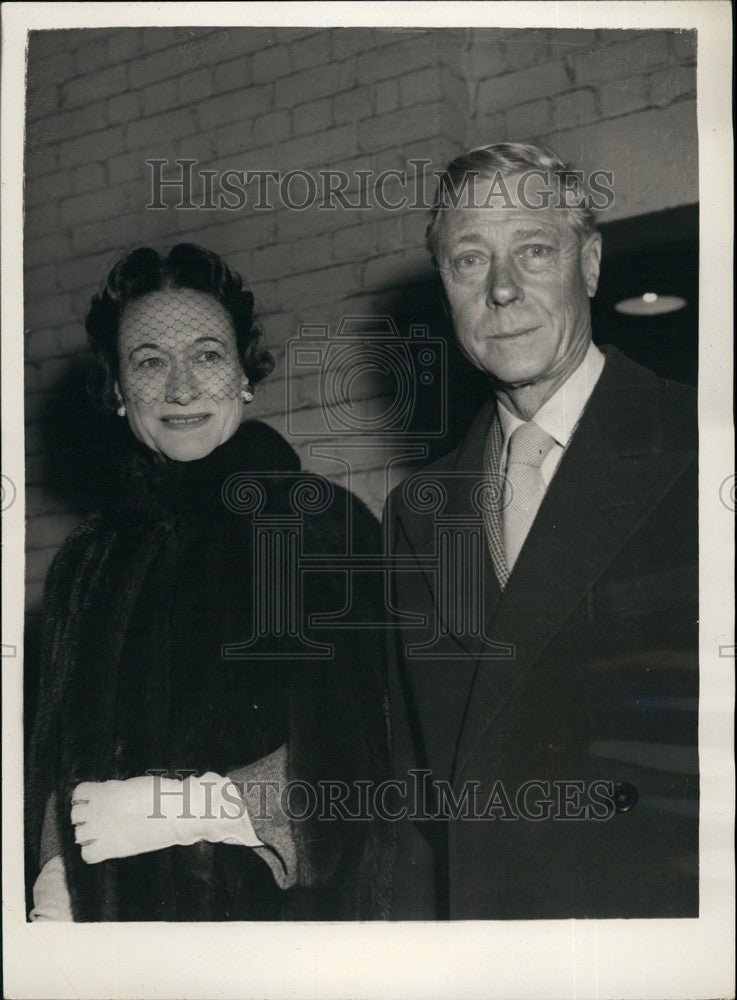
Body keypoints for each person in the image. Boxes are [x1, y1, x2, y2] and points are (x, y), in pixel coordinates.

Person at [26, 243, 391, 921]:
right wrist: (53, 874)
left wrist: (184, 811)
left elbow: (364, 766)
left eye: (206, 355)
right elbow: (55, 758)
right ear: (115, 390)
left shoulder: (315, 527)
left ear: (244, 376)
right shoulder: (87, 559)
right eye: (149, 362)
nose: (182, 388)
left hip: (272, 944)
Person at [385, 142, 698, 919]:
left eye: (531, 249)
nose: (500, 289)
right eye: (468, 260)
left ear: (587, 265)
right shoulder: (416, 510)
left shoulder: (703, 447)